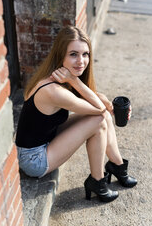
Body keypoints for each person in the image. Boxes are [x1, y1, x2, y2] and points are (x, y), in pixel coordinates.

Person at [16, 25, 137, 203]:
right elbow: (98, 110)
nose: (81, 61)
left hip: (48, 138)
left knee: (101, 117)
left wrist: (112, 105)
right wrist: (75, 81)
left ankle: (117, 166)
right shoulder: (54, 90)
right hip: (34, 159)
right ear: (61, 55)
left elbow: (97, 100)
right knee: (98, 119)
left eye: (85, 54)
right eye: (73, 54)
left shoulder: (59, 76)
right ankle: (98, 180)